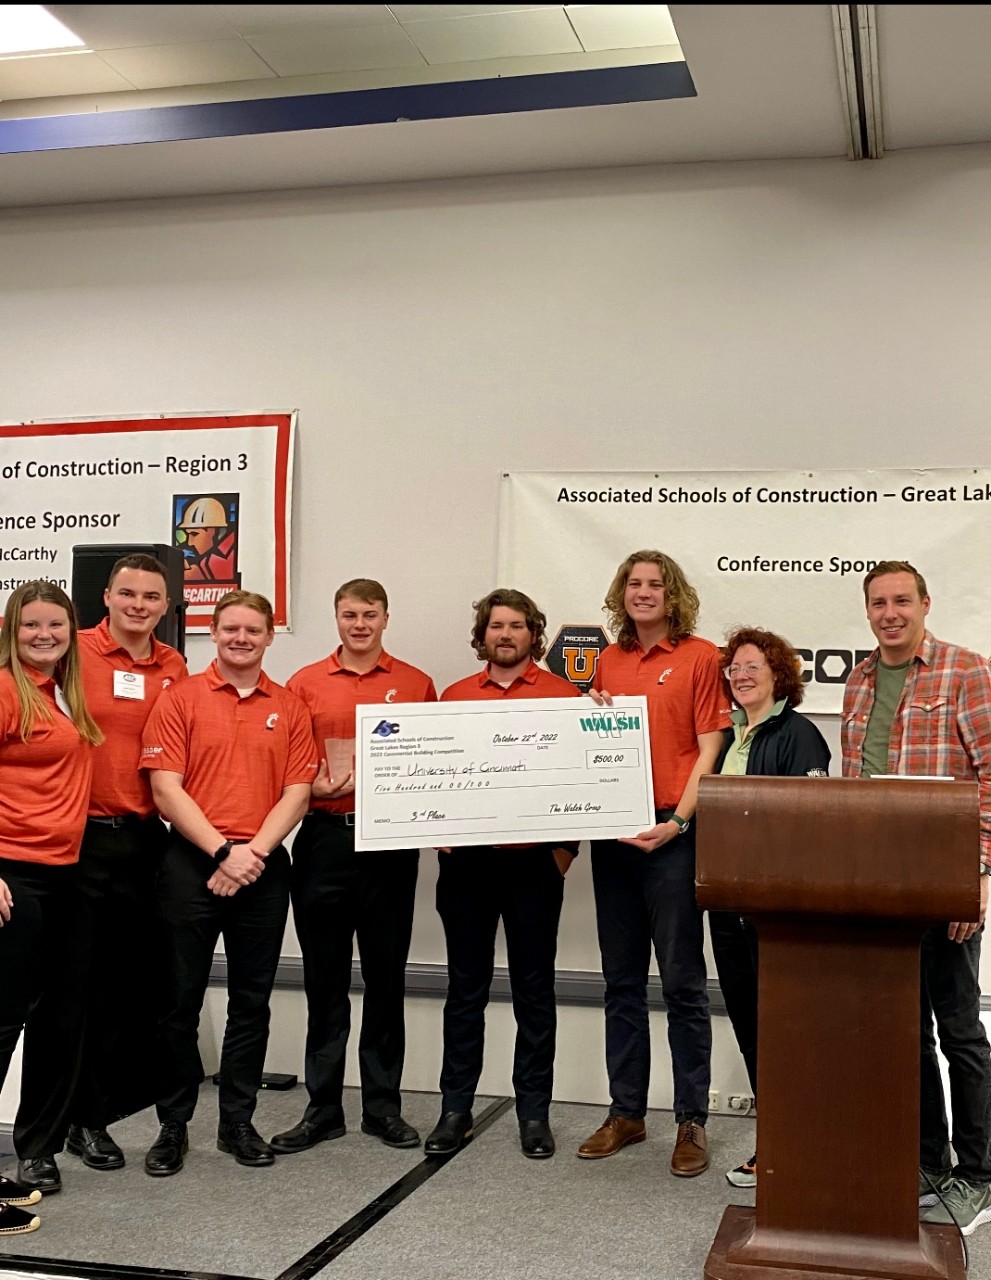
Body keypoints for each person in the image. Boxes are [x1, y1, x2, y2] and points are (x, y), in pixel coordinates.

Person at [140, 590, 316, 1174]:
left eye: (254, 631)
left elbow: (298, 791)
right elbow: (166, 788)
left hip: (262, 867)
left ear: (269, 638)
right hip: (192, 863)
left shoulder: (290, 707)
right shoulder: (179, 697)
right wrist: (221, 851)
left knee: (251, 1002)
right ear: (212, 634)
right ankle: (172, 1125)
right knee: (177, 1003)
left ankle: (238, 1123)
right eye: (231, 629)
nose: (242, 639)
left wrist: (251, 855)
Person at [842, 560, 991, 1236]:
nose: (889, 613)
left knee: (960, 1030)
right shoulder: (858, 680)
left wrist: (974, 874)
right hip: (880, 888)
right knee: (906, 1032)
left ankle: (981, 1174)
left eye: (901, 600)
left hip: (944, 884)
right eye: (878, 603)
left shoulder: (965, 671)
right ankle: (927, 1161)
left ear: (925, 604)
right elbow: (851, 789)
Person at [577, 551, 731, 1176]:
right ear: (621, 593)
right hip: (612, 838)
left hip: (673, 834)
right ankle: (627, 1113)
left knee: (683, 984)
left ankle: (690, 1121)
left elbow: (710, 747)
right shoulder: (606, 662)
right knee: (620, 981)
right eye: (634, 584)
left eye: (656, 585)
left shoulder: (700, 658)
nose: (644, 593)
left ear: (674, 595)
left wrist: (679, 823)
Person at [272, 579, 435, 1154]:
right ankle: (323, 1109)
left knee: (386, 979)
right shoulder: (304, 684)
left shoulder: (416, 684)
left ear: (386, 618)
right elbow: (286, 764)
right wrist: (309, 783)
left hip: (390, 847)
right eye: (349, 614)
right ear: (335, 619)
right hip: (323, 841)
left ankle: (382, 1108)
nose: (359, 624)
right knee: (325, 981)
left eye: (369, 614)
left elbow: (434, 763)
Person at [424, 589, 581, 1160]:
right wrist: (434, 829)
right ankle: (454, 1109)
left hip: (534, 866)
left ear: (533, 634)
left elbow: (579, 783)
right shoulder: (454, 697)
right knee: (465, 990)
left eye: (517, 626)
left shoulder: (564, 696)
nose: (506, 635)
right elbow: (432, 773)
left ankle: (534, 1112)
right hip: (467, 864)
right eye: (497, 626)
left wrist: (562, 853)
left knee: (534, 991)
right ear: (483, 635)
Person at [66, 554, 187, 1174]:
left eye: (151, 597)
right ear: (107, 598)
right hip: (80, 840)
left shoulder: (174, 665)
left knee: (126, 988)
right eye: (129, 594)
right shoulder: (72, 653)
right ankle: (82, 1120)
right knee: (79, 987)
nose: (139, 605)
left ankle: (109, 1107)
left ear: (166, 607)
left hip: (145, 841)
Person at [710, 626, 830, 1188]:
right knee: (751, 1023)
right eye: (733, 666)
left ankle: (796, 1143)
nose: (741, 673)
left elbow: (808, 826)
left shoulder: (799, 735)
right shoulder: (731, 736)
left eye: (753, 664)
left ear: (779, 674)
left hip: (774, 909)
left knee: (785, 1028)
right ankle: (775, 1139)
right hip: (726, 902)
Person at [0, 580, 101, 1222]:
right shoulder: (7, 689)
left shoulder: (67, 691)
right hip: (15, 873)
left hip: (69, 874)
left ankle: (37, 1148)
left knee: (60, 1019)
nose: (44, 636)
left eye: (55, 627)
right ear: (12, 630)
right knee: (2, 1018)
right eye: (31, 626)